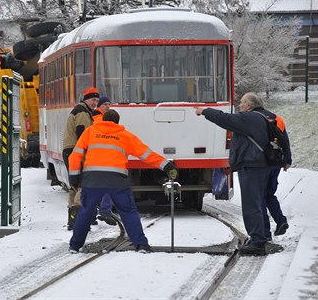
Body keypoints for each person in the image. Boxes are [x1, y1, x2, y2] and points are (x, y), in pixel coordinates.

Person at [68, 109, 178, 253]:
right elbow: (146, 153)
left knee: (86, 211)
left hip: (93, 180)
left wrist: (74, 177)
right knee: (128, 212)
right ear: (117, 122)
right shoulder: (125, 136)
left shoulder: (90, 132)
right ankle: (141, 245)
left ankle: (75, 246)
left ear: (103, 119)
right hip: (117, 180)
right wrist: (166, 165)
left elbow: (75, 155)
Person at [194, 92, 274, 255]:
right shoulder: (260, 118)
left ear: (249, 106)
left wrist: (205, 111)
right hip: (258, 166)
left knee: (251, 204)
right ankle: (260, 236)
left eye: (242, 103)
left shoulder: (249, 118)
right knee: (256, 202)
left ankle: (257, 242)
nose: (240, 106)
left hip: (252, 167)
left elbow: (226, 119)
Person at [62, 87, 99, 230]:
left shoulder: (79, 110)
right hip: (76, 151)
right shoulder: (83, 112)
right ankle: (79, 219)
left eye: (96, 100)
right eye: (93, 99)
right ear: (86, 99)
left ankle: (73, 219)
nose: (95, 103)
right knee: (82, 185)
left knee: (74, 184)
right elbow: (82, 134)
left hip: (69, 150)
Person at [253, 106, 292, 239]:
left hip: (261, 164)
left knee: (260, 197)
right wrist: (287, 160)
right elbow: (285, 141)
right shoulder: (278, 119)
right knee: (269, 194)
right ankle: (280, 220)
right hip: (276, 162)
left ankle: (265, 232)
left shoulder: (253, 119)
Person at [91, 96, 117, 226]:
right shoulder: (99, 119)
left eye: (109, 104)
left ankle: (96, 213)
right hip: (103, 159)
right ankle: (105, 211)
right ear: (99, 106)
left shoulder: (96, 117)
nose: (108, 106)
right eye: (105, 104)